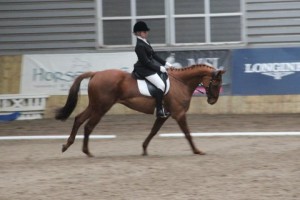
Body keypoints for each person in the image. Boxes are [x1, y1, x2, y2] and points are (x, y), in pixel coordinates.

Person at [132, 21, 172, 118]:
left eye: (146, 32)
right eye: (144, 32)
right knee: (161, 85)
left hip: (149, 66)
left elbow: (153, 55)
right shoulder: (139, 46)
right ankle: (159, 110)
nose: (146, 33)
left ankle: (162, 107)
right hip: (144, 69)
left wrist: (165, 63)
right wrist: (159, 68)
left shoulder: (146, 42)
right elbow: (146, 62)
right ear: (139, 33)